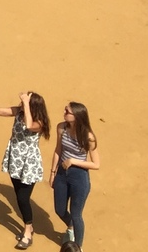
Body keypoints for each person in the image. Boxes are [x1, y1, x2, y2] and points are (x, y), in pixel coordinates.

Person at [0, 88, 48, 250]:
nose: (21, 103)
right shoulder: (19, 112)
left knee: (23, 198)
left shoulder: (39, 122)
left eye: (25, 102)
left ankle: (28, 230)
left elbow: (29, 126)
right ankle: (28, 227)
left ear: (33, 106)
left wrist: (26, 103)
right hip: (15, 160)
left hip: (28, 164)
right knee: (19, 195)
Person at [51, 102, 100, 249]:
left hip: (79, 177)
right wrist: (53, 172)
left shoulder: (88, 137)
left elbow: (96, 164)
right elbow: (58, 150)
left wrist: (73, 161)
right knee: (59, 209)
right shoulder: (61, 128)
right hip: (61, 173)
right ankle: (70, 226)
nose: (64, 112)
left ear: (77, 117)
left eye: (67, 111)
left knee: (76, 213)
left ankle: (78, 247)